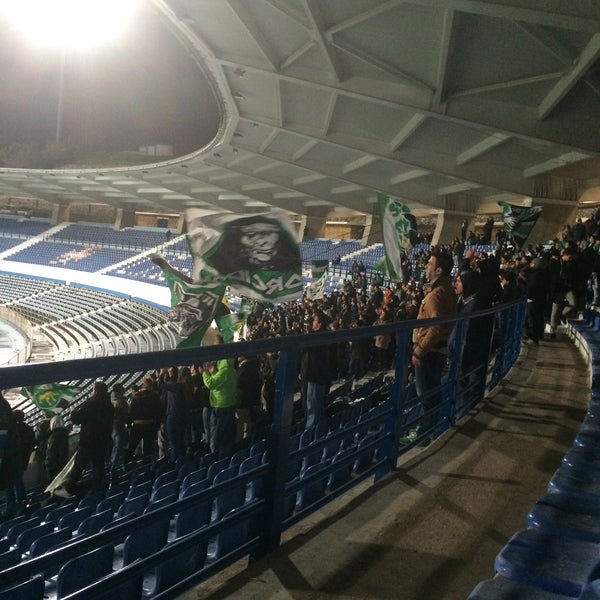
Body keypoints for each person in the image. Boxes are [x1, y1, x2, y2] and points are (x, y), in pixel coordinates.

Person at [404, 248, 457, 444]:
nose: (426, 266)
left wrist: (419, 351)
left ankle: (424, 434)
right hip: (437, 349)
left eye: (430, 265)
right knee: (433, 391)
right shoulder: (447, 290)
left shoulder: (436, 294)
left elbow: (436, 326)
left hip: (428, 351)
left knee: (425, 395)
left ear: (439, 271)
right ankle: (431, 429)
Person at [54, 380, 114, 498]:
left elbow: (77, 420)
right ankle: (98, 489)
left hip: (88, 441)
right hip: (103, 441)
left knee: (78, 466)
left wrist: (73, 412)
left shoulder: (91, 404)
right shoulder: (109, 405)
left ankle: (68, 489)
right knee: (98, 466)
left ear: (95, 391)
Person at [299, 311, 332, 428]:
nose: (312, 322)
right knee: (312, 404)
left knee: (313, 404)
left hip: (315, 375)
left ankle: (311, 431)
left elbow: (306, 349)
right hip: (312, 374)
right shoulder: (320, 335)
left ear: (320, 324)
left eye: (314, 320)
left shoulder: (318, 337)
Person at [202, 357, 238, 458]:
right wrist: (213, 373)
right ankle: (227, 455)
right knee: (227, 433)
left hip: (221, 406)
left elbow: (211, 384)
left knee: (216, 433)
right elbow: (220, 384)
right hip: (230, 404)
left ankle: (215, 457)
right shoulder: (232, 371)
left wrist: (205, 373)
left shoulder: (224, 372)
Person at [4, 409, 35, 517]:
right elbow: (32, 445)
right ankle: (22, 504)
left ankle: (10, 509)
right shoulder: (29, 429)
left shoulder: (12, 429)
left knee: (9, 485)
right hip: (22, 461)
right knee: (19, 482)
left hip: (11, 461)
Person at [126, 376, 162, 461]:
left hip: (137, 425)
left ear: (143, 385)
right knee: (147, 449)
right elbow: (158, 411)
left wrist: (128, 424)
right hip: (149, 425)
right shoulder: (155, 396)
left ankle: (126, 465)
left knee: (131, 447)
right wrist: (156, 425)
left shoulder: (136, 397)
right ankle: (146, 468)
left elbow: (130, 412)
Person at [235, 355, 262, 442]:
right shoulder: (254, 366)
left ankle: (240, 444)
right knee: (248, 422)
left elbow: (238, 383)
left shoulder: (244, 368)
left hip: (242, 400)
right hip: (250, 400)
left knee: (241, 424)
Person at [110, 382, 129, 475]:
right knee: (118, 448)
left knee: (116, 448)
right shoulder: (120, 401)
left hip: (115, 427)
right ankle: (114, 468)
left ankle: (114, 466)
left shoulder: (112, 400)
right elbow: (125, 414)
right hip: (119, 427)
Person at [45, 415, 70, 482]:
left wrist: (48, 463)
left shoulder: (55, 436)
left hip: (54, 465)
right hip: (62, 462)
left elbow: (51, 451)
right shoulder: (64, 433)